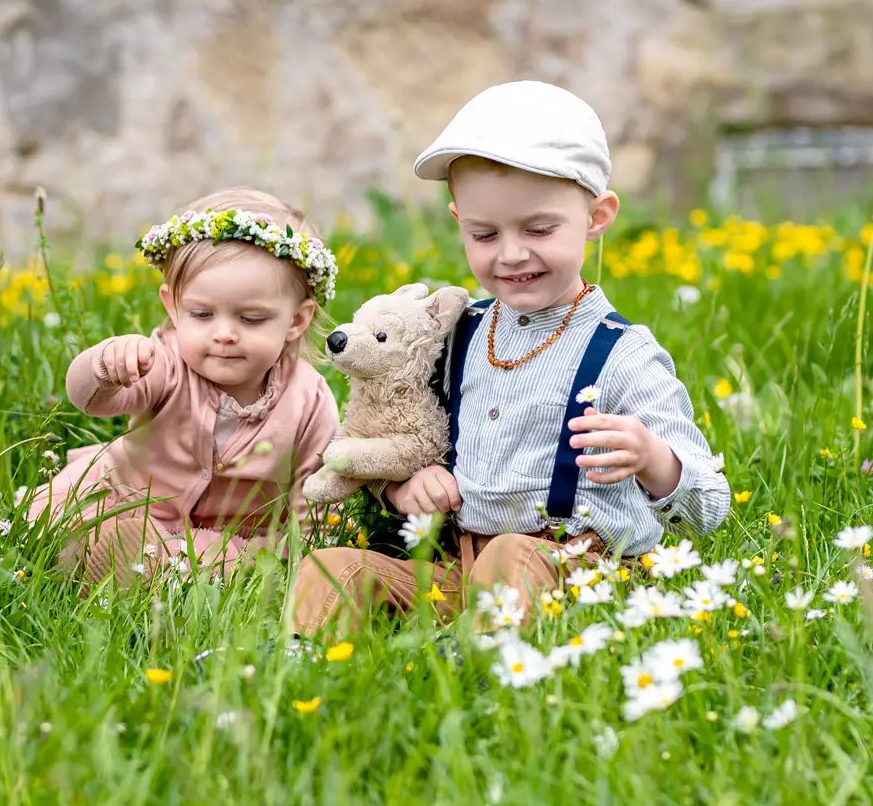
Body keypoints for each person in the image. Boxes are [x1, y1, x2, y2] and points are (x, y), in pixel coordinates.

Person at [287, 81, 731, 634]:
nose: (512, 253)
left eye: (540, 229)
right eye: (484, 233)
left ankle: (485, 667)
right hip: (456, 570)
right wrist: (401, 487)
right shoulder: (459, 335)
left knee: (510, 562)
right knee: (332, 568)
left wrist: (652, 459)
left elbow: (711, 507)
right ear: (458, 221)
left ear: (596, 216)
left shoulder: (622, 356)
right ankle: (302, 670)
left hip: (576, 575)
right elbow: (396, 430)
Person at [28, 187, 341, 584]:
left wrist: (305, 558)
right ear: (173, 306)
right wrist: (106, 365)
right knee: (54, 525)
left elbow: (316, 492)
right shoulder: (164, 362)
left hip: (224, 535)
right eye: (202, 314)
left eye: (251, 319)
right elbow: (92, 400)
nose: (224, 334)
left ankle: (128, 563)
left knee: (224, 565)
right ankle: (93, 551)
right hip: (126, 499)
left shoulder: (308, 399)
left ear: (296, 320)